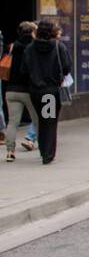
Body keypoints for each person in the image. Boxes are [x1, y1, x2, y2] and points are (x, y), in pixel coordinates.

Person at [17, 20, 69, 164]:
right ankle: (48, 153)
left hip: (35, 90)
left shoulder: (29, 48)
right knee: (50, 122)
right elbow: (66, 67)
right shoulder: (58, 46)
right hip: (51, 90)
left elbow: (23, 70)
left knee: (42, 120)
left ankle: (44, 150)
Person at [3, 21, 37, 162]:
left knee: (12, 122)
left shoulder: (11, 46)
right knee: (38, 120)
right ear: (32, 32)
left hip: (11, 90)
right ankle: (45, 150)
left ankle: (10, 151)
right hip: (29, 90)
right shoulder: (33, 47)